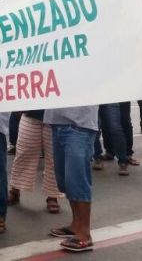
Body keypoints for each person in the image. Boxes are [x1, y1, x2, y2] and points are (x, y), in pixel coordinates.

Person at [44, 105, 99, 253]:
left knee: (78, 178)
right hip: (57, 122)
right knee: (66, 180)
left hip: (80, 124)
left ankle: (84, 232)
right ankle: (76, 224)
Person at [7, 110, 62, 214]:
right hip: (30, 112)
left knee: (53, 157)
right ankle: (15, 189)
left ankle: (53, 196)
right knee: (23, 153)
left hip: (55, 117)